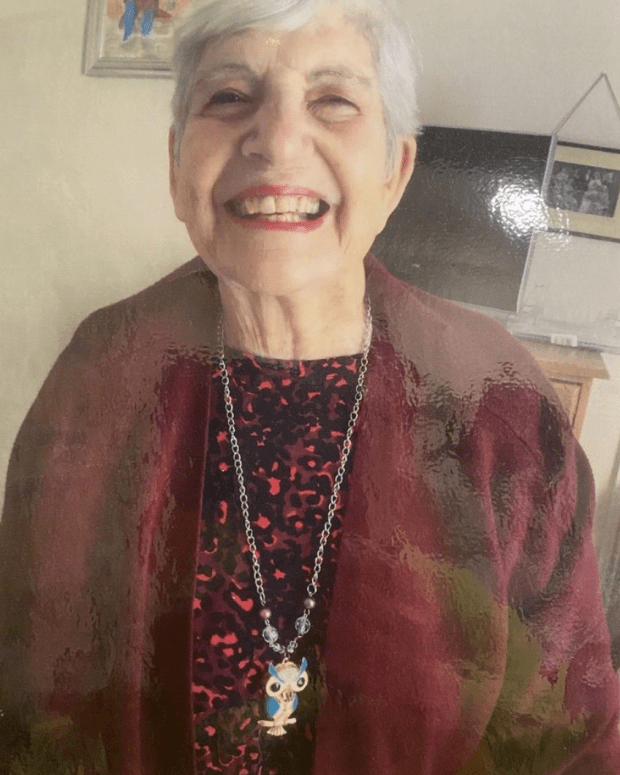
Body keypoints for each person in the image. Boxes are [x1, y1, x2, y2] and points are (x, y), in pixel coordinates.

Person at [1, 0, 619, 773]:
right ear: (175, 162)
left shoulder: (496, 405)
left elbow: (567, 739)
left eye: (333, 100)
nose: (277, 140)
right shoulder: (101, 373)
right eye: (229, 97)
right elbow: (27, 697)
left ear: (395, 169)